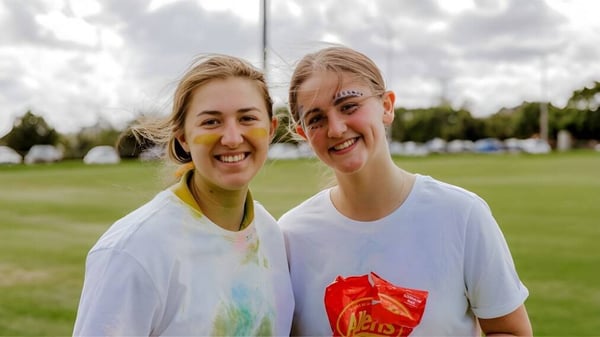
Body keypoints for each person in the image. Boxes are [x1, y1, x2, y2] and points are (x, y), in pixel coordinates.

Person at [279, 45, 532, 336]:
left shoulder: (462, 215)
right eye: (316, 119)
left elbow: (510, 330)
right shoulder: (290, 235)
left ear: (386, 106)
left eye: (349, 106)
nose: (335, 129)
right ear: (303, 134)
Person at [73, 54, 294, 336]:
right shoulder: (133, 250)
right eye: (211, 122)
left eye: (247, 118)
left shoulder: (270, 233)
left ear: (271, 130)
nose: (232, 137)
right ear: (183, 138)